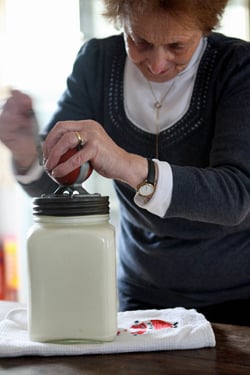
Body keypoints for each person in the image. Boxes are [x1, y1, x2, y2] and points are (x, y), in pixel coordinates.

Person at [1, 0, 250, 326]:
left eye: (177, 46)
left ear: (205, 27)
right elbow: (56, 182)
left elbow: (235, 198)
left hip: (237, 298)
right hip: (140, 294)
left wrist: (125, 164)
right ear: (122, 20)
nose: (158, 64)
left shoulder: (238, 67)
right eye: (140, 42)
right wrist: (26, 153)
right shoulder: (97, 62)